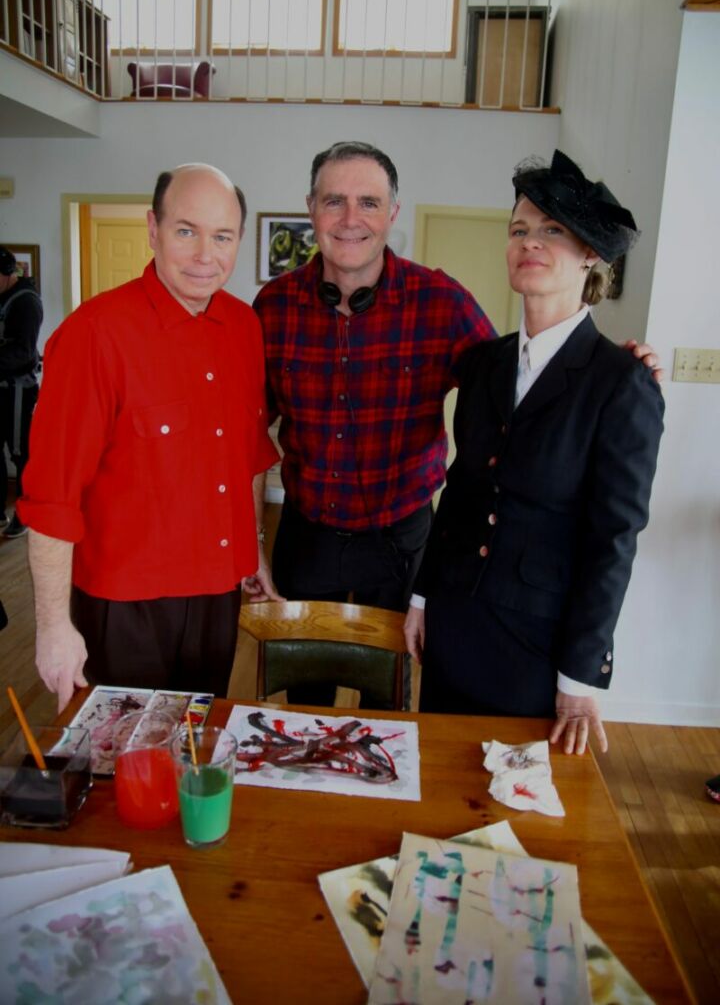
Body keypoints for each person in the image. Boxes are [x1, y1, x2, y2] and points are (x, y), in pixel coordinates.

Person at [404, 150, 664, 755]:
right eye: (519, 229)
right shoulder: (486, 364)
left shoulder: (621, 382)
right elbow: (463, 489)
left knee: (515, 813)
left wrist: (582, 673)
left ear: (591, 253)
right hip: (455, 623)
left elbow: (615, 538)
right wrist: (421, 596)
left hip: (538, 645)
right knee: (438, 781)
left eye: (552, 230)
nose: (531, 242)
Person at [19, 164, 279, 713]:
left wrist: (253, 547)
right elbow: (51, 499)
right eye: (186, 230)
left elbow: (249, 455)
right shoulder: (94, 335)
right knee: (124, 768)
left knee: (195, 746)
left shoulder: (244, 328)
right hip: (124, 606)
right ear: (152, 228)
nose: (205, 254)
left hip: (216, 594)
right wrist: (53, 627)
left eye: (222, 235)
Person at [252, 141, 496, 620]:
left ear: (392, 213)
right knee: (300, 684)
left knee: (391, 688)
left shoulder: (441, 301)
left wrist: (608, 368)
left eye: (368, 202)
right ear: (311, 210)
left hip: (403, 540)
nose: (350, 218)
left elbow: (511, 384)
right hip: (306, 537)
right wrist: (253, 540)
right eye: (333, 201)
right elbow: (246, 430)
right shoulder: (273, 307)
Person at [0, 245, 43, 539]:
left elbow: (23, 351)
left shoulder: (26, 303)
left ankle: (25, 516)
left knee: (21, 454)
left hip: (17, 390)